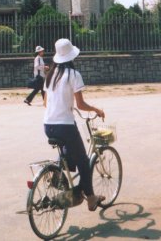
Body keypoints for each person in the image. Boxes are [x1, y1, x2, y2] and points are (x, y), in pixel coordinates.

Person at [43, 38, 105, 211]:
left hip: (48, 125)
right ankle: (91, 199)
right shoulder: (73, 75)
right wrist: (96, 110)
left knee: (68, 154)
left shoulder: (50, 75)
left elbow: (46, 103)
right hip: (65, 126)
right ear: (71, 56)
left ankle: (58, 177)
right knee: (84, 162)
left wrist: (64, 106)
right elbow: (81, 105)